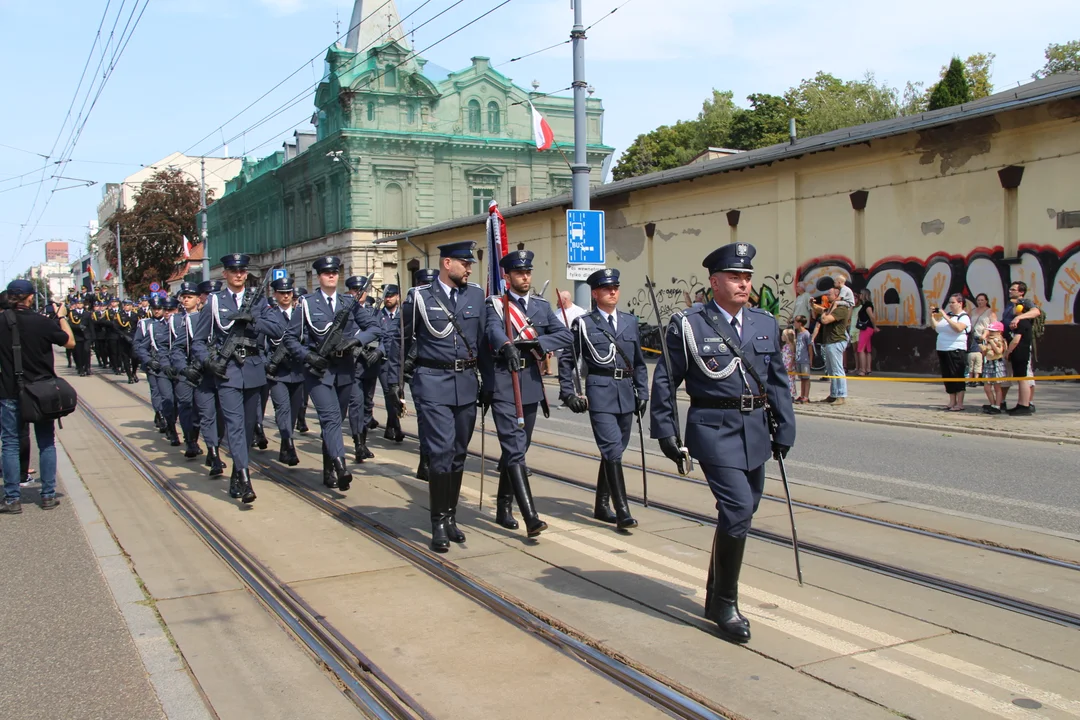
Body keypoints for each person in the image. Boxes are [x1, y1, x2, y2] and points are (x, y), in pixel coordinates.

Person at [650, 243, 796, 644]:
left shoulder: (765, 323)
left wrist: (785, 426)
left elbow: (777, 380)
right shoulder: (690, 324)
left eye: (747, 277)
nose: (743, 283)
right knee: (737, 508)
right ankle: (727, 605)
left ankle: (715, 595)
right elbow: (665, 379)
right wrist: (666, 430)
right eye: (735, 277)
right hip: (712, 428)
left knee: (741, 513)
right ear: (714, 282)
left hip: (754, 430)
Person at [401, 242, 489, 552]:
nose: (468, 268)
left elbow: (483, 342)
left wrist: (488, 384)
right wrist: (400, 384)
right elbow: (402, 343)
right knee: (439, 451)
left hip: (465, 383)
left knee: (458, 452)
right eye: (464, 263)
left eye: (470, 264)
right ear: (447, 263)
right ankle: (437, 521)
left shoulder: (476, 296)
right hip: (433, 383)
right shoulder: (420, 298)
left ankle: (451, 517)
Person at [483, 250, 573, 538]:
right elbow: (492, 331)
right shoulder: (496, 304)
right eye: (519, 273)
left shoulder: (541, 306)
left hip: (531, 384)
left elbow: (564, 335)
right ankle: (530, 517)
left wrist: (535, 341)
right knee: (513, 448)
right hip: (504, 383)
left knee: (519, 449)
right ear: (507, 277)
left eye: (528, 272)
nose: (525, 277)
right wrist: (506, 345)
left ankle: (502, 506)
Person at [557, 268, 647, 530]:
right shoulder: (584, 323)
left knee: (615, 451)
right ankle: (622, 511)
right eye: (607, 289)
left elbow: (640, 363)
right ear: (595, 294)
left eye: (616, 287)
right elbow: (567, 360)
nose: (613, 292)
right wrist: (568, 392)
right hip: (600, 391)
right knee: (612, 450)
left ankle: (601, 505)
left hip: (626, 393)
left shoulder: (630, 322)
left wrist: (643, 392)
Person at [192, 254, 285, 505]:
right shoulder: (214, 302)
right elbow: (198, 342)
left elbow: (278, 330)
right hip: (227, 371)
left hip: (253, 369)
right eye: (233, 270)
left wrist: (254, 320)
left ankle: (236, 471)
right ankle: (245, 479)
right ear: (225, 274)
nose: (238, 274)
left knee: (246, 427)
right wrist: (209, 362)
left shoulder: (260, 301)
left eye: (242, 270)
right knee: (234, 425)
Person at [284, 257, 380, 491]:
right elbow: (289, 338)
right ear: (319, 276)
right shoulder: (307, 303)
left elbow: (375, 328)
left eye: (334, 272)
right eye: (326, 273)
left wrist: (355, 341)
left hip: (345, 370)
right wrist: (308, 356)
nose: (331, 276)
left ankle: (328, 470)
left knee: (336, 421)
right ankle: (340, 466)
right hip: (318, 371)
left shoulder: (349, 302)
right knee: (330, 419)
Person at [0, 280, 76, 513]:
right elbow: (70, 342)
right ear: (31, 298)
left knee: (10, 443)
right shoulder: (42, 322)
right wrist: (61, 316)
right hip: (41, 392)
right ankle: (48, 495)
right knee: (46, 442)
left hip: (8, 390)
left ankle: (12, 498)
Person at [264, 277, 303, 466]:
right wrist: (267, 363)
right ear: (275, 295)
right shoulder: (270, 316)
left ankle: (284, 445)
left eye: (289, 293)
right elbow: (262, 344)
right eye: (282, 293)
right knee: (283, 409)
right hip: (277, 373)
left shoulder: (300, 314)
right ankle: (289, 445)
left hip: (297, 371)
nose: (286, 296)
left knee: (294, 412)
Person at [406, 268, 438, 482]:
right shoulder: (411, 305)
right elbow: (399, 337)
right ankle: (426, 460)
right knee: (425, 417)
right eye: (422, 283)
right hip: (416, 370)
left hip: (438, 369)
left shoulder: (438, 304)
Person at [134, 296, 179, 444]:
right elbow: (140, 346)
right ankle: (164, 418)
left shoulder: (180, 323)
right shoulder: (148, 325)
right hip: (157, 368)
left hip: (177, 368)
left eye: (165, 309)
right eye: (158, 309)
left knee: (178, 401)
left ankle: (168, 417)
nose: (161, 312)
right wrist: (149, 361)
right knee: (162, 395)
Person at [344, 275, 379, 463]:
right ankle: (358, 443)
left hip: (370, 365)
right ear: (350, 291)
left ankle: (363, 440)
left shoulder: (374, 311)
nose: (359, 294)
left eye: (362, 291)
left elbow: (385, 334)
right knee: (356, 404)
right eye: (355, 290)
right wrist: (357, 348)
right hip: (352, 365)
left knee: (367, 404)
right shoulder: (346, 310)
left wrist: (379, 352)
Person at [168, 283, 203, 458]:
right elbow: (174, 347)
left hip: (203, 370)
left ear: (198, 299)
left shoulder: (205, 317)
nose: (186, 300)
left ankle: (196, 437)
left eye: (190, 297)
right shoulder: (175, 320)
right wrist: (181, 368)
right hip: (184, 371)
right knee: (186, 405)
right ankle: (190, 441)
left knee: (200, 409)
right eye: (184, 297)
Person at [1000, 281, 1040, 416]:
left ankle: (1026, 403)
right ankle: (1014, 402)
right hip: (1009, 342)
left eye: (1013, 289)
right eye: (1010, 289)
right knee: (1014, 375)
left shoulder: (1025, 303)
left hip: (1019, 345)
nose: (1010, 291)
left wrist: (1018, 318)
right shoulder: (1009, 304)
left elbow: (1036, 311)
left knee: (1025, 375)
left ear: (1021, 292)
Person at [930, 293, 971, 412]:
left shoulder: (963, 317)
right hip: (943, 349)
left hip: (956, 349)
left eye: (953, 302)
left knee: (956, 375)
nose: (951, 305)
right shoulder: (948, 315)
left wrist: (945, 316)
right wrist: (932, 316)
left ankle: (960, 403)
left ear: (960, 303)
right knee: (947, 376)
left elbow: (958, 328)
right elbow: (937, 328)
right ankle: (951, 401)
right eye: (950, 302)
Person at [376, 284, 405, 444]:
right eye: (386, 296)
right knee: (389, 393)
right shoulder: (378, 316)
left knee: (399, 394)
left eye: (391, 296)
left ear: (397, 297)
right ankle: (397, 426)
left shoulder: (403, 316)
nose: (388, 299)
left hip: (401, 362)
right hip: (384, 361)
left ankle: (389, 425)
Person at [816, 287, 850, 405]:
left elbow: (825, 320)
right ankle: (834, 394)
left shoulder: (841, 308)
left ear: (837, 295)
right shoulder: (832, 308)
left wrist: (823, 314)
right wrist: (813, 305)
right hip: (830, 341)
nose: (827, 295)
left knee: (837, 370)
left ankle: (841, 395)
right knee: (831, 370)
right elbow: (821, 311)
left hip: (836, 341)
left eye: (829, 294)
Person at [965, 293, 994, 387]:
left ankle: (982, 377)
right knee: (972, 358)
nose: (980, 302)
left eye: (982, 300)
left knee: (983, 358)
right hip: (973, 337)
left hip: (983, 337)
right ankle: (971, 378)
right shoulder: (973, 311)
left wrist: (986, 334)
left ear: (986, 301)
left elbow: (993, 326)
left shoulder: (990, 312)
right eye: (978, 300)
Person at [980, 322, 1008, 414]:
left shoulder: (1000, 341)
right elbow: (984, 354)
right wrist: (983, 349)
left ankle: (997, 406)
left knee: (997, 387)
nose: (991, 333)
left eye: (993, 331)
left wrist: (992, 342)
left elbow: (999, 351)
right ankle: (992, 404)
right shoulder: (987, 340)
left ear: (999, 332)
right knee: (987, 387)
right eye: (990, 331)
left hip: (997, 364)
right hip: (988, 363)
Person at [854, 289, 876, 376]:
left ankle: (862, 369)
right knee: (867, 349)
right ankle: (868, 369)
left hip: (866, 328)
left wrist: (875, 326)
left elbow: (871, 316)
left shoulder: (867, 305)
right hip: (868, 328)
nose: (859, 295)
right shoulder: (866, 304)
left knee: (861, 349)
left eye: (860, 294)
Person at [792, 316, 812, 403]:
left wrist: (810, 359)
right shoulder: (798, 334)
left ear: (800, 323)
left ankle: (806, 396)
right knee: (802, 379)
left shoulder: (806, 334)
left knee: (806, 378)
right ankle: (802, 395)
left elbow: (810, 347)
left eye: (795, 322)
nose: (794, 324)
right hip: (799, 359)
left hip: (805, 360)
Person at [781, 328, 797, 397]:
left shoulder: (791, 345)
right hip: (784, 364)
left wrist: (790, 365)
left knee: (790, 380)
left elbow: (793, 356)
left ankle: (791, 394)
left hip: (789, 365)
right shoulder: (785, 346)